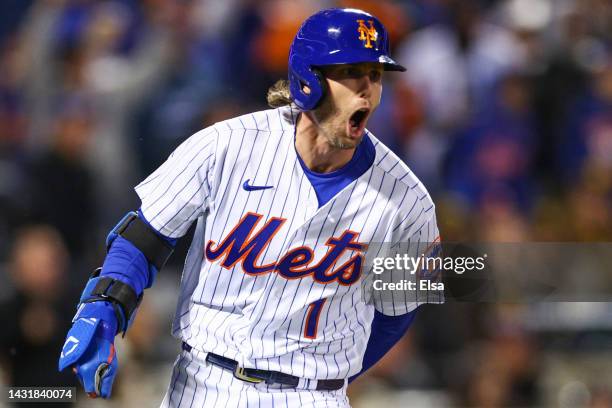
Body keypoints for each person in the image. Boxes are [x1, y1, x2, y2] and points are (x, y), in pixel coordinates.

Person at [58, 8, 442, 407]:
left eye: (376, 76)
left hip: (313, 397)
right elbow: (146, 235)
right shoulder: (227, 145)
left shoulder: (408, 201)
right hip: (202, 385)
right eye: (351, 73)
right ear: (308, 79)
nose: (367, 91)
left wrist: (330, 374)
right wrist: (103, 305)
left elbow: (397, 313)